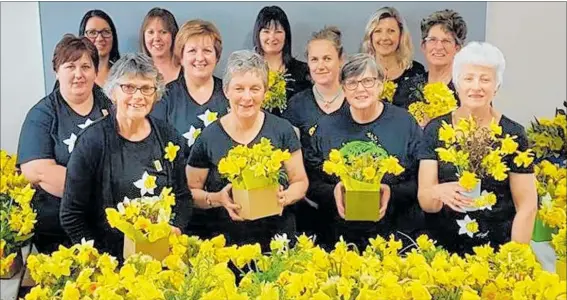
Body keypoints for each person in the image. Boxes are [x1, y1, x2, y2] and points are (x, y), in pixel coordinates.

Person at [60, 53, 192, 259]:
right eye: (128, 87)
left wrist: (176, 228)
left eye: (147, 88)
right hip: (109, 263)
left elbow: (182, 197)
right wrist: (99, 260)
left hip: (161, 259)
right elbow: (71, 215)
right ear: (112, 92)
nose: (138, 96)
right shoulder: (91, 142)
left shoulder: (168, 136)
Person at [417, 41, 537, 255]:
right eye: (469, 78)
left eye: (485, 79)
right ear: (456, 83)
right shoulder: (436, 129)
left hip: (497, 249)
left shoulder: (513, 134)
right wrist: (437, 192)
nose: (476, 86)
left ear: (496, 86)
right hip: (442, 251)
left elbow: (526, 206)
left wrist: (515, 258)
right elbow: (426, 200)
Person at [186, 50, 308, 250]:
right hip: (226, 244)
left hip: (277, 239)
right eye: (239, 88)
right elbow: (191, 192)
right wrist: (217, 199)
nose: (247, 97)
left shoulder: (282, 129)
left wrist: (283, 198)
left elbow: (300, 181)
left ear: (265, 91)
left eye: (255, 88)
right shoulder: (209, 136)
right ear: (226, 91)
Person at [305, 53, 423, 250]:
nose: (360, 89)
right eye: (352, 83)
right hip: (340, 238)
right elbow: (312, 181)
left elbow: (421, 178)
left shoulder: (404, 123)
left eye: (368, 81)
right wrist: (332, 192)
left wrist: (391, 192)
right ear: (343, 88)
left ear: (380, 84)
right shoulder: (326, 127)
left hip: (395, 235)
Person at [17, 34, 112, 253]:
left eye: (86, 66)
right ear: (57, 72)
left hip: (109, 227)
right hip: (58, 232)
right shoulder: (42, 114)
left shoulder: (112, 107)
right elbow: (37, 171)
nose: (79, 74)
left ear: (96, 72)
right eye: (70, 66)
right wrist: (100, 190)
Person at [282, 26, 348, 245]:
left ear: (341, 59)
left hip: (352, 203)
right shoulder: (297, 105)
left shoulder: (356, 100)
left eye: (327, 58)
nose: (321, 65)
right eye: (314, 59)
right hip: (308, 205)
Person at [151, 19, 229, 157]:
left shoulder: (229, 93)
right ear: (181, 57)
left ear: (217, 56)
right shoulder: (165, 97)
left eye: (207, 50)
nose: (200, 58)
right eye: (192, 51)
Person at [360, 6, 425, 108]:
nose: (384, 37)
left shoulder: (416, 72)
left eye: (391, 31)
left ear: (401, 36)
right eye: (378, 31)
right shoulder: (359, 73)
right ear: (370, 36)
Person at [252, 5, 312, 116]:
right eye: (266, 31)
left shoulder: (302, 72)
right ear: (257, 34)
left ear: (286, 35)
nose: (272, 37)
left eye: (278, 31)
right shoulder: (248, 70)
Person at [78, 9, 121, 87]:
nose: (100, 38)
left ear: (113, 36)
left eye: (105, 32)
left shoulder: (124, 74)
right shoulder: (73, 75)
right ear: (82, 37)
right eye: (92, 33)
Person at [139, 7, 181, 84]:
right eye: (151, 32)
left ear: (173, 35)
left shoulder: (188, 71)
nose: (157, 38)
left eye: (163, 32)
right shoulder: (135, 73)